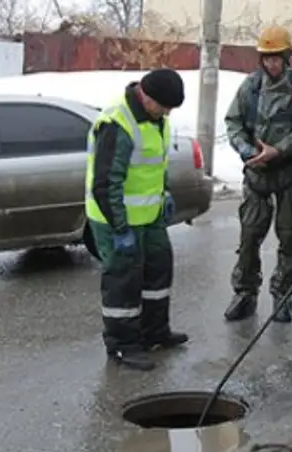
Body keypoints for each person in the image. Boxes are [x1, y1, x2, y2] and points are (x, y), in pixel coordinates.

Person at [84, 68, 189, 371]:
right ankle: (122, 345)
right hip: (116, 219)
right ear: (146, 96)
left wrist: (164, 194)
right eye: (164, 106)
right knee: (123, 281)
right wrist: (120, 228)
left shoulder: (158, 120)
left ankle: (154, 332)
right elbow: (105, 184)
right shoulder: (117, 124)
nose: (167, 113)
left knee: (159, 269)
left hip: (150, 215)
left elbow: (155, 165)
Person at [223, 25, 292, 323]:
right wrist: (248, 152)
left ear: (287, 57)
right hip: (257, 173)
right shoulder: (250, 88)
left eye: (277, 57)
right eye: (267, 58)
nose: (272, 63)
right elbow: (233, 123)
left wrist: (278, 150)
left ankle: (283, 295)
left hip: (290, 172)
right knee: (250, 235)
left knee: (289, 237)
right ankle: (245, 292)